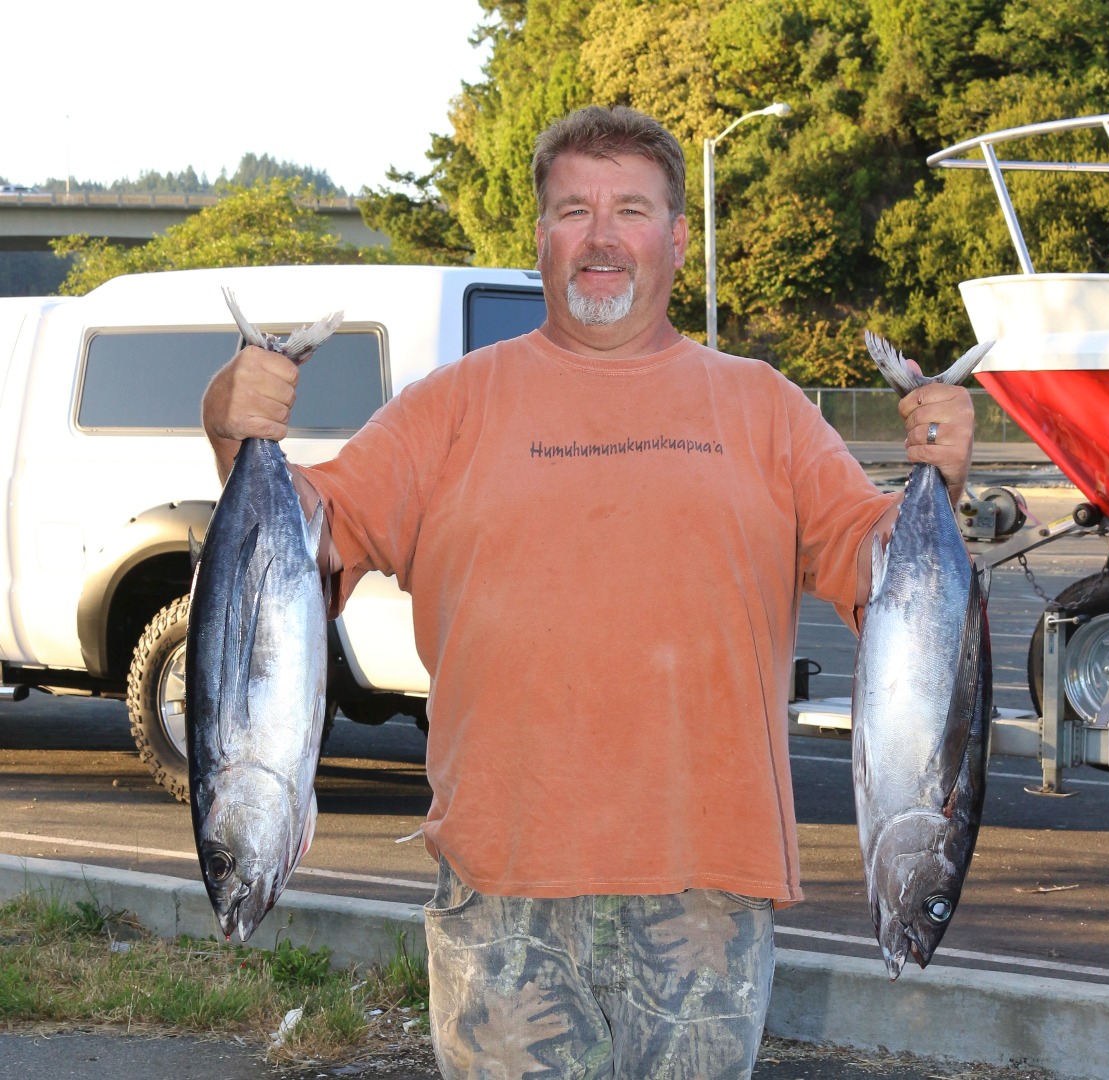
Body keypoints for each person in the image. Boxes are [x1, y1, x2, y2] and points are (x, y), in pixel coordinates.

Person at [202, 105, 976, 1079]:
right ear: (540, 236)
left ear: (678, 238)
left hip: (705, 893)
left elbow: (883, 574)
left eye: (632, 210)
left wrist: (936, 485)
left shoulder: (765, 407)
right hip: (501, 892)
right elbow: (294, 561)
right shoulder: (449, 406)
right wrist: (234, 433)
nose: (603, 238)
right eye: (575, 210)